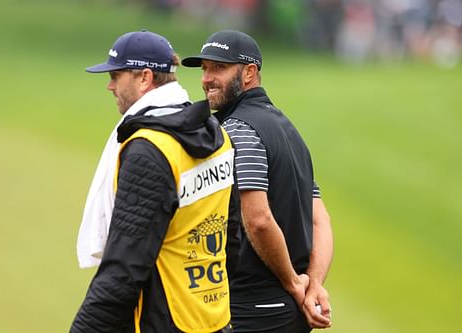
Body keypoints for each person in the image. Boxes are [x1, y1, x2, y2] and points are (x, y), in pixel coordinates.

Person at [71, 29, 239, 333]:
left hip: (164, 320)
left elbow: (124, 267)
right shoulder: (217, 135)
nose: (109, 86)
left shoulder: (150, 149)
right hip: (214, 316)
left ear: (145, 78)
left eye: (116, 75)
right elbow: (232, 236)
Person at [182, 30, 334, 332]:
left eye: (219, 68)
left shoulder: (237, 130)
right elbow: (321, 220)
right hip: (288, 312)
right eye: (205, 69)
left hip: (253, 311)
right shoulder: (288, 129)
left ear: (250, 72)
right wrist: (313, 284)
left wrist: (294, 282)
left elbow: (259, 220)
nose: (207, 78)